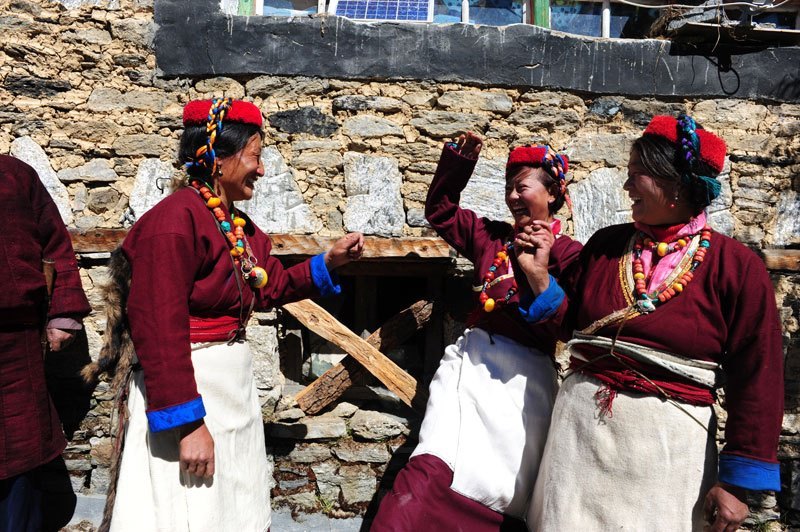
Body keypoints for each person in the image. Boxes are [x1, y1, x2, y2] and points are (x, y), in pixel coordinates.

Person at [96, 98, 364, 532]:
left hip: (229, 393)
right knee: (189, 514)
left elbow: (269, 284)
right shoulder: (175, 222)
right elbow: (158, 327)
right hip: (193, 394)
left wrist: (328, 263)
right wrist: (188, 426)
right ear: (218, 159)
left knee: (230, 511)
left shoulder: (232, 226)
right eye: (255, 157)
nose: (261, 170)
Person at [516, 114, 783, 531]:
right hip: (579, 446)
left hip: (667, 455)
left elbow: (758, 377)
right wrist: (539, 277)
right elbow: (569, 328)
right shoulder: (607, 245)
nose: (626, 187)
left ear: (674, 184)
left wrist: (736, 484)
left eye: (636, 176)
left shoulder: (736, 267)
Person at [371, 132, 582, 530]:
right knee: (429, 472)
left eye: (522, 187)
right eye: (508, 189)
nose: (513, 197)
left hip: (523, 391)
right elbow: (441, 211)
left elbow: (569, 327)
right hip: (469, 374)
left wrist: (539, 275)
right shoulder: (492, 238)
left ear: (553, 193)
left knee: (499, 492)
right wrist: (457, 163)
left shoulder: (569, 255)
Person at [0, 155, 91, 531]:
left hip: (14, 346)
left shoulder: (14, 175)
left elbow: (56, 244)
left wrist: (63, 314)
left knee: (18, 454)